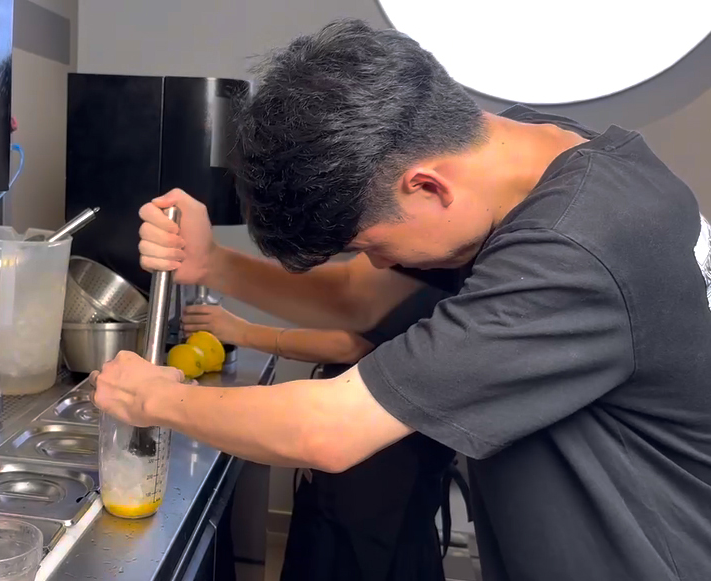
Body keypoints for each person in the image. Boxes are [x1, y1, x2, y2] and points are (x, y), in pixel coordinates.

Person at [91, 19, 711, 581]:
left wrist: (154, 398)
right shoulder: (525, 160)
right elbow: (360, 300)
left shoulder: (573, 246)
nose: (380, 265)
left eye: (372, 245)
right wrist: (213, 263)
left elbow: (328, 430)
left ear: (428, 187)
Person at [184, 295, 459, 581]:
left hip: (385, 470)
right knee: (324, 543)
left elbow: (351, 343)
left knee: (357, 555)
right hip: (369, 460)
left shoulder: (424, 286)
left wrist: (242, 331)